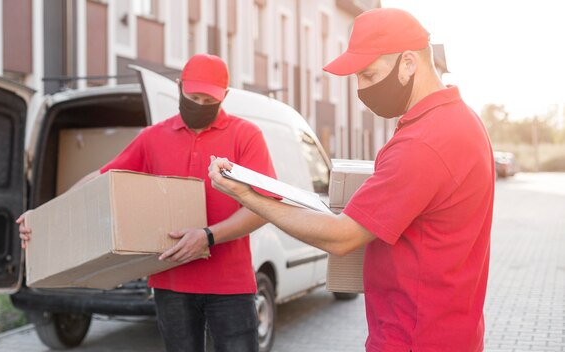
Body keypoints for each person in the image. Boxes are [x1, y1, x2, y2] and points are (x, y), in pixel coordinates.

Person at [209, 8, 494, 352]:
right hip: (452, 332)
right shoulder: (462, 120)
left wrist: (248, 196)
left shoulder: (424, 141)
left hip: (414, 338)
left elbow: (342, 238)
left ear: (408, 63)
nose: (361, 88)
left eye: (369, 74)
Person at [18, 54, 277, 352]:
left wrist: (208, 235)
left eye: (209, 100)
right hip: (171, 283)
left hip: (231, 284)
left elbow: (264, 206)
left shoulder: (246, 136)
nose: (201, 105)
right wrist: (43, 217)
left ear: (225, 97)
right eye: (194, 97)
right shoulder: (153, 137)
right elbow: (100, 180)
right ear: (179, 87)